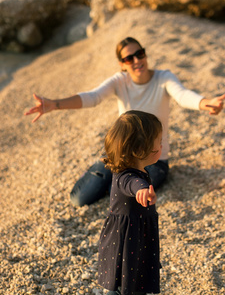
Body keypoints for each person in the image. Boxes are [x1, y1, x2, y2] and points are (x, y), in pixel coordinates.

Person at [24, 37, 225, 207]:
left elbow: (182, 95)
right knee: (79, 198)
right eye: (129, 58)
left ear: (145, 54)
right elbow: (92, 97)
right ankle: (108, 174)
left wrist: (204, 103)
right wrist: (55, 104)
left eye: (140, 54)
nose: (137, 60)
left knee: (123, 197)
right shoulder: (120, 81)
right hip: (120, 154)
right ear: (122, 64)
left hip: (153, 161)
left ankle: (116, 179)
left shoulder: (164, 78)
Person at [98, 110, 162, 295]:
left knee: (137, 273)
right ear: (141, 149)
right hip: (126, 239)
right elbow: (132, 184)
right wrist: (142, 190)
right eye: (159, 141)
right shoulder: (125, 176)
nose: (162, 144)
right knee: (123, 278)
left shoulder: (136, 170)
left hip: (137, 234)